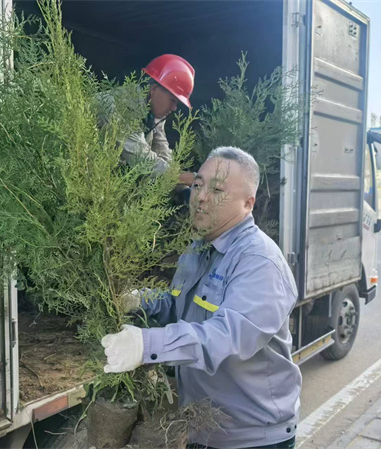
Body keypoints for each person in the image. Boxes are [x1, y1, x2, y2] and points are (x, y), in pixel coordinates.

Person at [102, 147, 302, 448]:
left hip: (251, 439)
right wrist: (139, 300)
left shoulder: (259, 261)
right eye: (197, 185)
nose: (201, 197)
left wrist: (147, 345)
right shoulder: (198, 248)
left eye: (218, 190)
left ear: (248, 203)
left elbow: (229, 337)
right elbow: (179, 307)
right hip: (200, 428)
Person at [99, 54, 196, 186]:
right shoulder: (115, 106)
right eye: (172, 100)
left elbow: (162, 150)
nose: (174, 108)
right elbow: (140, 157)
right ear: (153, 89)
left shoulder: (152, 111)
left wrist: (183, 188)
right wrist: (182, 178)